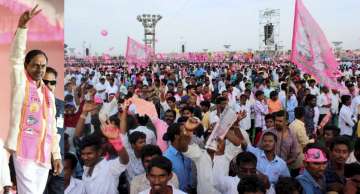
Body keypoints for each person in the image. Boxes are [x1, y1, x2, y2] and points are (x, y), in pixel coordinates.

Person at [4, 6, 62, 194]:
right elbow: (15, 57)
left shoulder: (48, 95)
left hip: (43, 155)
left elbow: (52, 127)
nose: (39, 69)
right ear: (26, 66)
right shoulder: (21, 82)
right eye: (35, 65)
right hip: (23, 150)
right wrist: (22, 27)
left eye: (43, 66)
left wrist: (56, 155)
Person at [43, 66, 65, 194]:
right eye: (45, 82)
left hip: (59, 168)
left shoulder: (61, 106)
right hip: (40, 167)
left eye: (52, 82)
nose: (49, 86)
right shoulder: (30, 107)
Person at [163, 123, 193, 193]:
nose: (187, 135)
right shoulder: (166, 158)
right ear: (176, 136)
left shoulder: (187, 153)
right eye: (184, 132)